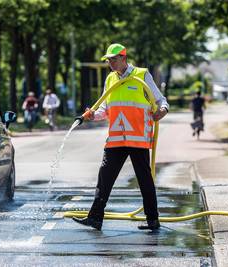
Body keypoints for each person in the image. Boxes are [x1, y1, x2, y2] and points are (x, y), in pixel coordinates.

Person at [72, 43, 169, 231]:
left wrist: (163, 111)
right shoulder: (110, 79)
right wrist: (94, 115)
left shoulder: (141, 75)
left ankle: (153, 220)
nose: (111, 63)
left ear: (124, 58)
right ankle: (95, 218)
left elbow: (161, 100)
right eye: (108, 60)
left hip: (138, 139)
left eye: (114, 59)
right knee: (104, 177)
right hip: (116, 139)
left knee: (144, 179)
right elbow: (104, 108)